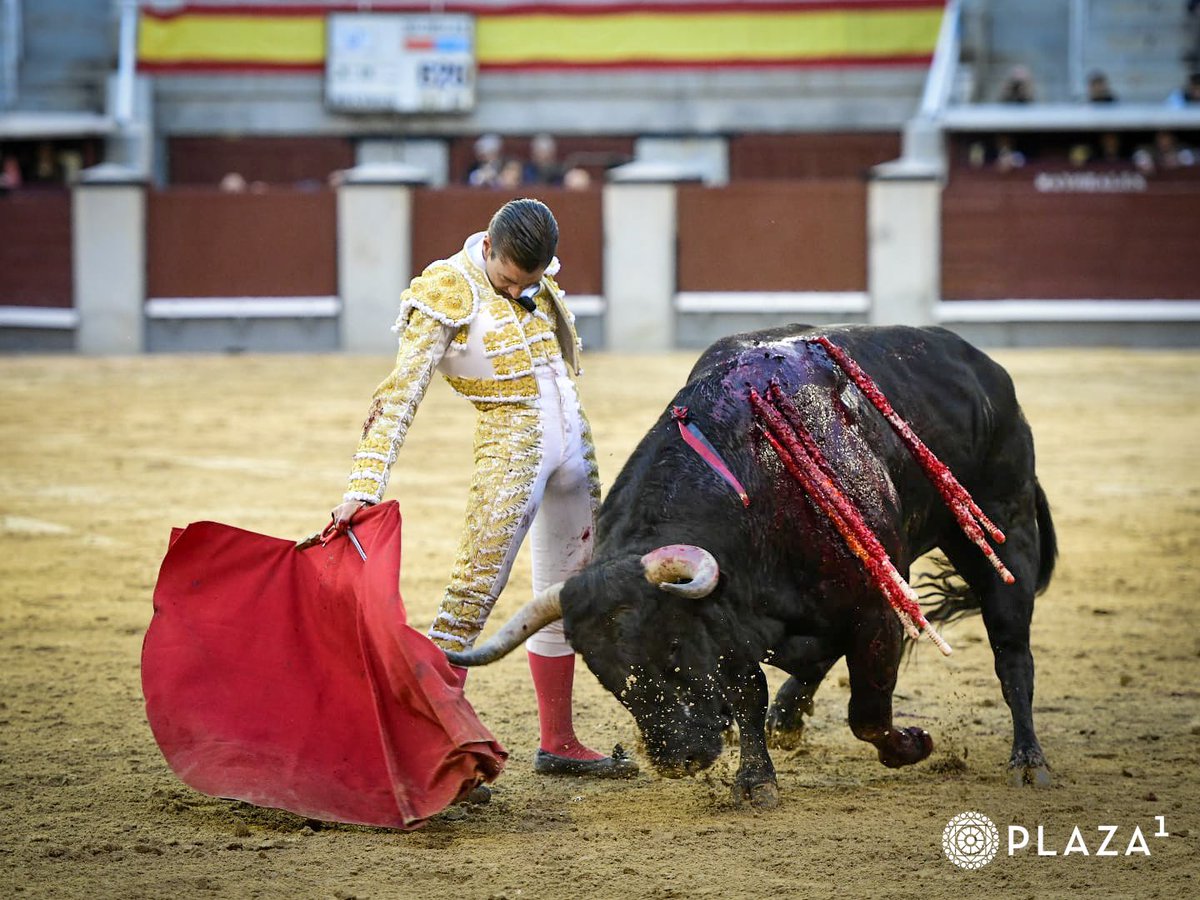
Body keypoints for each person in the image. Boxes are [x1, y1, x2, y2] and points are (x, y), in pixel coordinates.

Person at [330, 199, 638, 779]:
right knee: (472, 594)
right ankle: (429, 754)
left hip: (577, 449)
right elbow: (399, 394)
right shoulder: (447, 289)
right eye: (509, 280)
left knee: (565, 597)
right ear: (489, 248)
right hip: (509, 448)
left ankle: (559, 741)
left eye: (532, 282)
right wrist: (364, 486)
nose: (521, 292)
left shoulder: (534, 276)